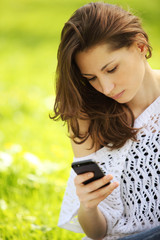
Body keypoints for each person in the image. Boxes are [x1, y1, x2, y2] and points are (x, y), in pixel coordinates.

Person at [50, 2, 160, 240]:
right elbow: (98, 232)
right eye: (91, 78)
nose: (106, 88)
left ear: (140, 46)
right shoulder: (87, 118)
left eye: (111, 69)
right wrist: (88, 206)